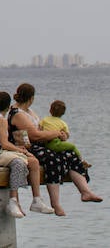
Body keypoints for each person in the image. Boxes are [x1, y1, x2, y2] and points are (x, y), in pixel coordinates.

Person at [9, 83, 100, 213]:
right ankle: (55, 203)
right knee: (53, 159)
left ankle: (85, 191)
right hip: (26, 147)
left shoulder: (29, 112)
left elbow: (41, 130)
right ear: (31, 98)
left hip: (40, 144)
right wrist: (57, 133)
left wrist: (58, 135)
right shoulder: (17, 113)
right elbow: (34, 135)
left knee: (70, 155)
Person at [0, 90, 51, 217]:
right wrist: (21, 150)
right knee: (18, 163)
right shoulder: (0, 120)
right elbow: (4, 143)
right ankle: (12, 201)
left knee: (34, 162)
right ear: (8, 107)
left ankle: (37, 200)